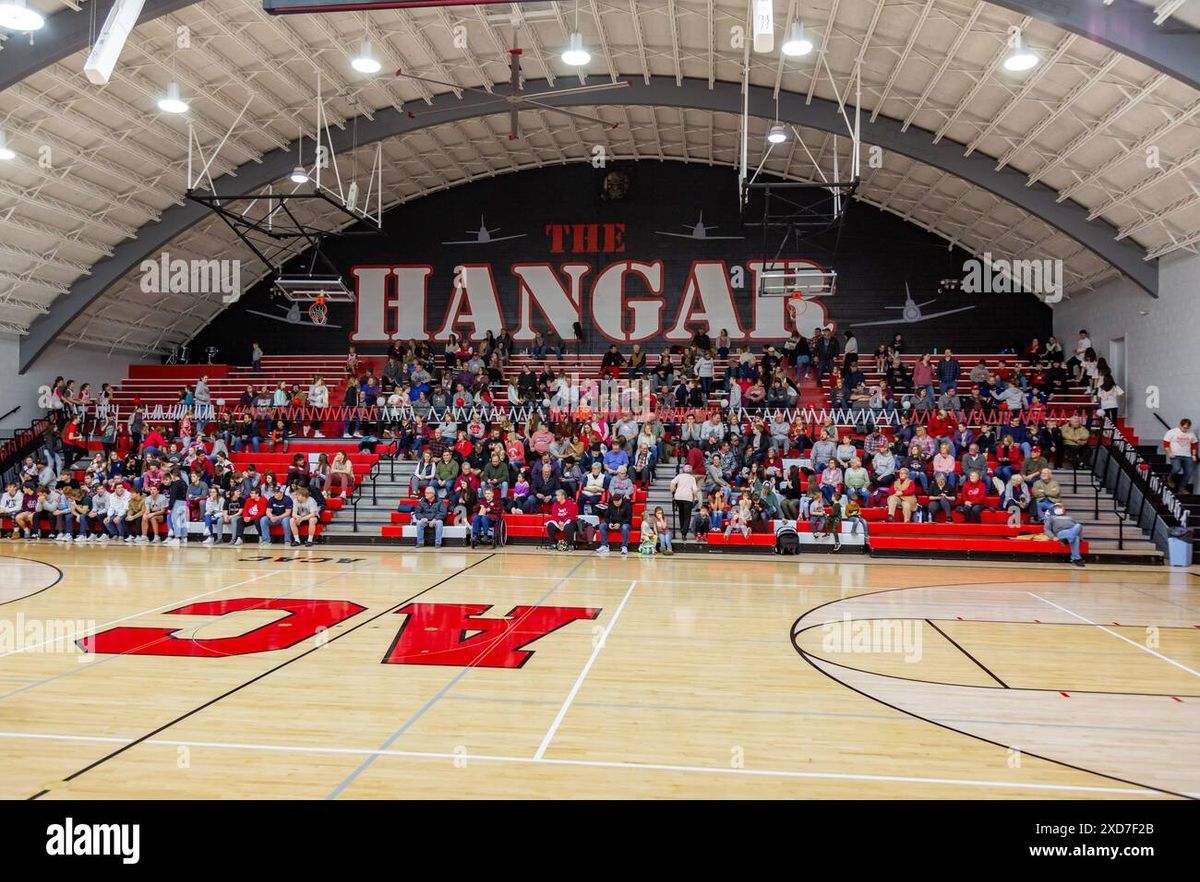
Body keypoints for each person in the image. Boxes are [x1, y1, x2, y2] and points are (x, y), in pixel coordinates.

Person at [1163, 417, 1198, 494]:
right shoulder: (1172, 432)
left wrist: (1194, 455)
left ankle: (1181, 488)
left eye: (1187, 428)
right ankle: (1170, 478)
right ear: (1180, 425)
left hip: (1187, 456)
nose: (1185, 430)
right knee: (1177, 469)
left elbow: (1194, 444)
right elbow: (1166, 443)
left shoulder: (1191, 434)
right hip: (1175, 455)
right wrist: (1169, 453)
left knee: (1189, 472)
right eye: (1184, 428)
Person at [596, 490, 633, 555]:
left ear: (621, 499)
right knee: (602, 525)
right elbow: (606, 517)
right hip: (613, 524)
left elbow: (628, 518)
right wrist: (609, 523)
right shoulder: (611, 505)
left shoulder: (627, 505)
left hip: (624, 524)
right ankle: (605, 545)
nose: (616, 503)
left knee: (625, 527)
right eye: (615, 502)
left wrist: (620, 524)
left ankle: (624, 546)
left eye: (618, 501)